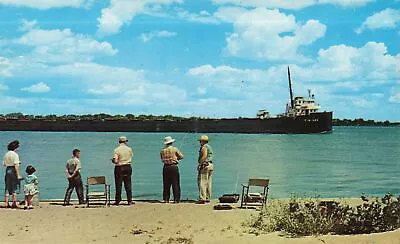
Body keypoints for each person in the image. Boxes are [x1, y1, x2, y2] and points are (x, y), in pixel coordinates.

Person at [160, 136, 184, 203]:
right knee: (175, 183)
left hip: (165, 167)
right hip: (173, 167)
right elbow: (181, 156)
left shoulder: (162, 150)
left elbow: (162, 159)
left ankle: (166, 199)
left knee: (166, 184)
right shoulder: (175, 149)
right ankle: (176, 199)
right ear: (171, 142)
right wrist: (176, 159)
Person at [112, 136, 134, 205]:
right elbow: (131, 156)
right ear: (125, 142)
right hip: (128, 166)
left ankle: (118, 200)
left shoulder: (116, 150)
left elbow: (115, 160)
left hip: (119, 167)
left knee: (118, 184)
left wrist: (113, 161)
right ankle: (129, 200)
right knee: (128, 183)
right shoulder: (129, 149)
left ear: (119, 142)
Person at [3, 140, 23, 208]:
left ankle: (6, 202)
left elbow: (4, 164)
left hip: (7, 169)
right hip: (13, 170)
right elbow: (16, 165)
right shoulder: (15, 155)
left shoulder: (6, 154)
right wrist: (18, 175)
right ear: (15, 147)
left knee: (7, 186)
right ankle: (14, 202)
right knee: (15, 186)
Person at [197, 135, 214, 203]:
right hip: (210, 165)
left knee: (202, 182)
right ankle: (208, 197)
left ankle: (202, 198)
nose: (200, 142)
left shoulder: (204, 147)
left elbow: (204, 156)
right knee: (208, 182)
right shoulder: (209, 147)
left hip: (205, 165)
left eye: (200, 141)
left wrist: (200, 164)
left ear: (202, 141)